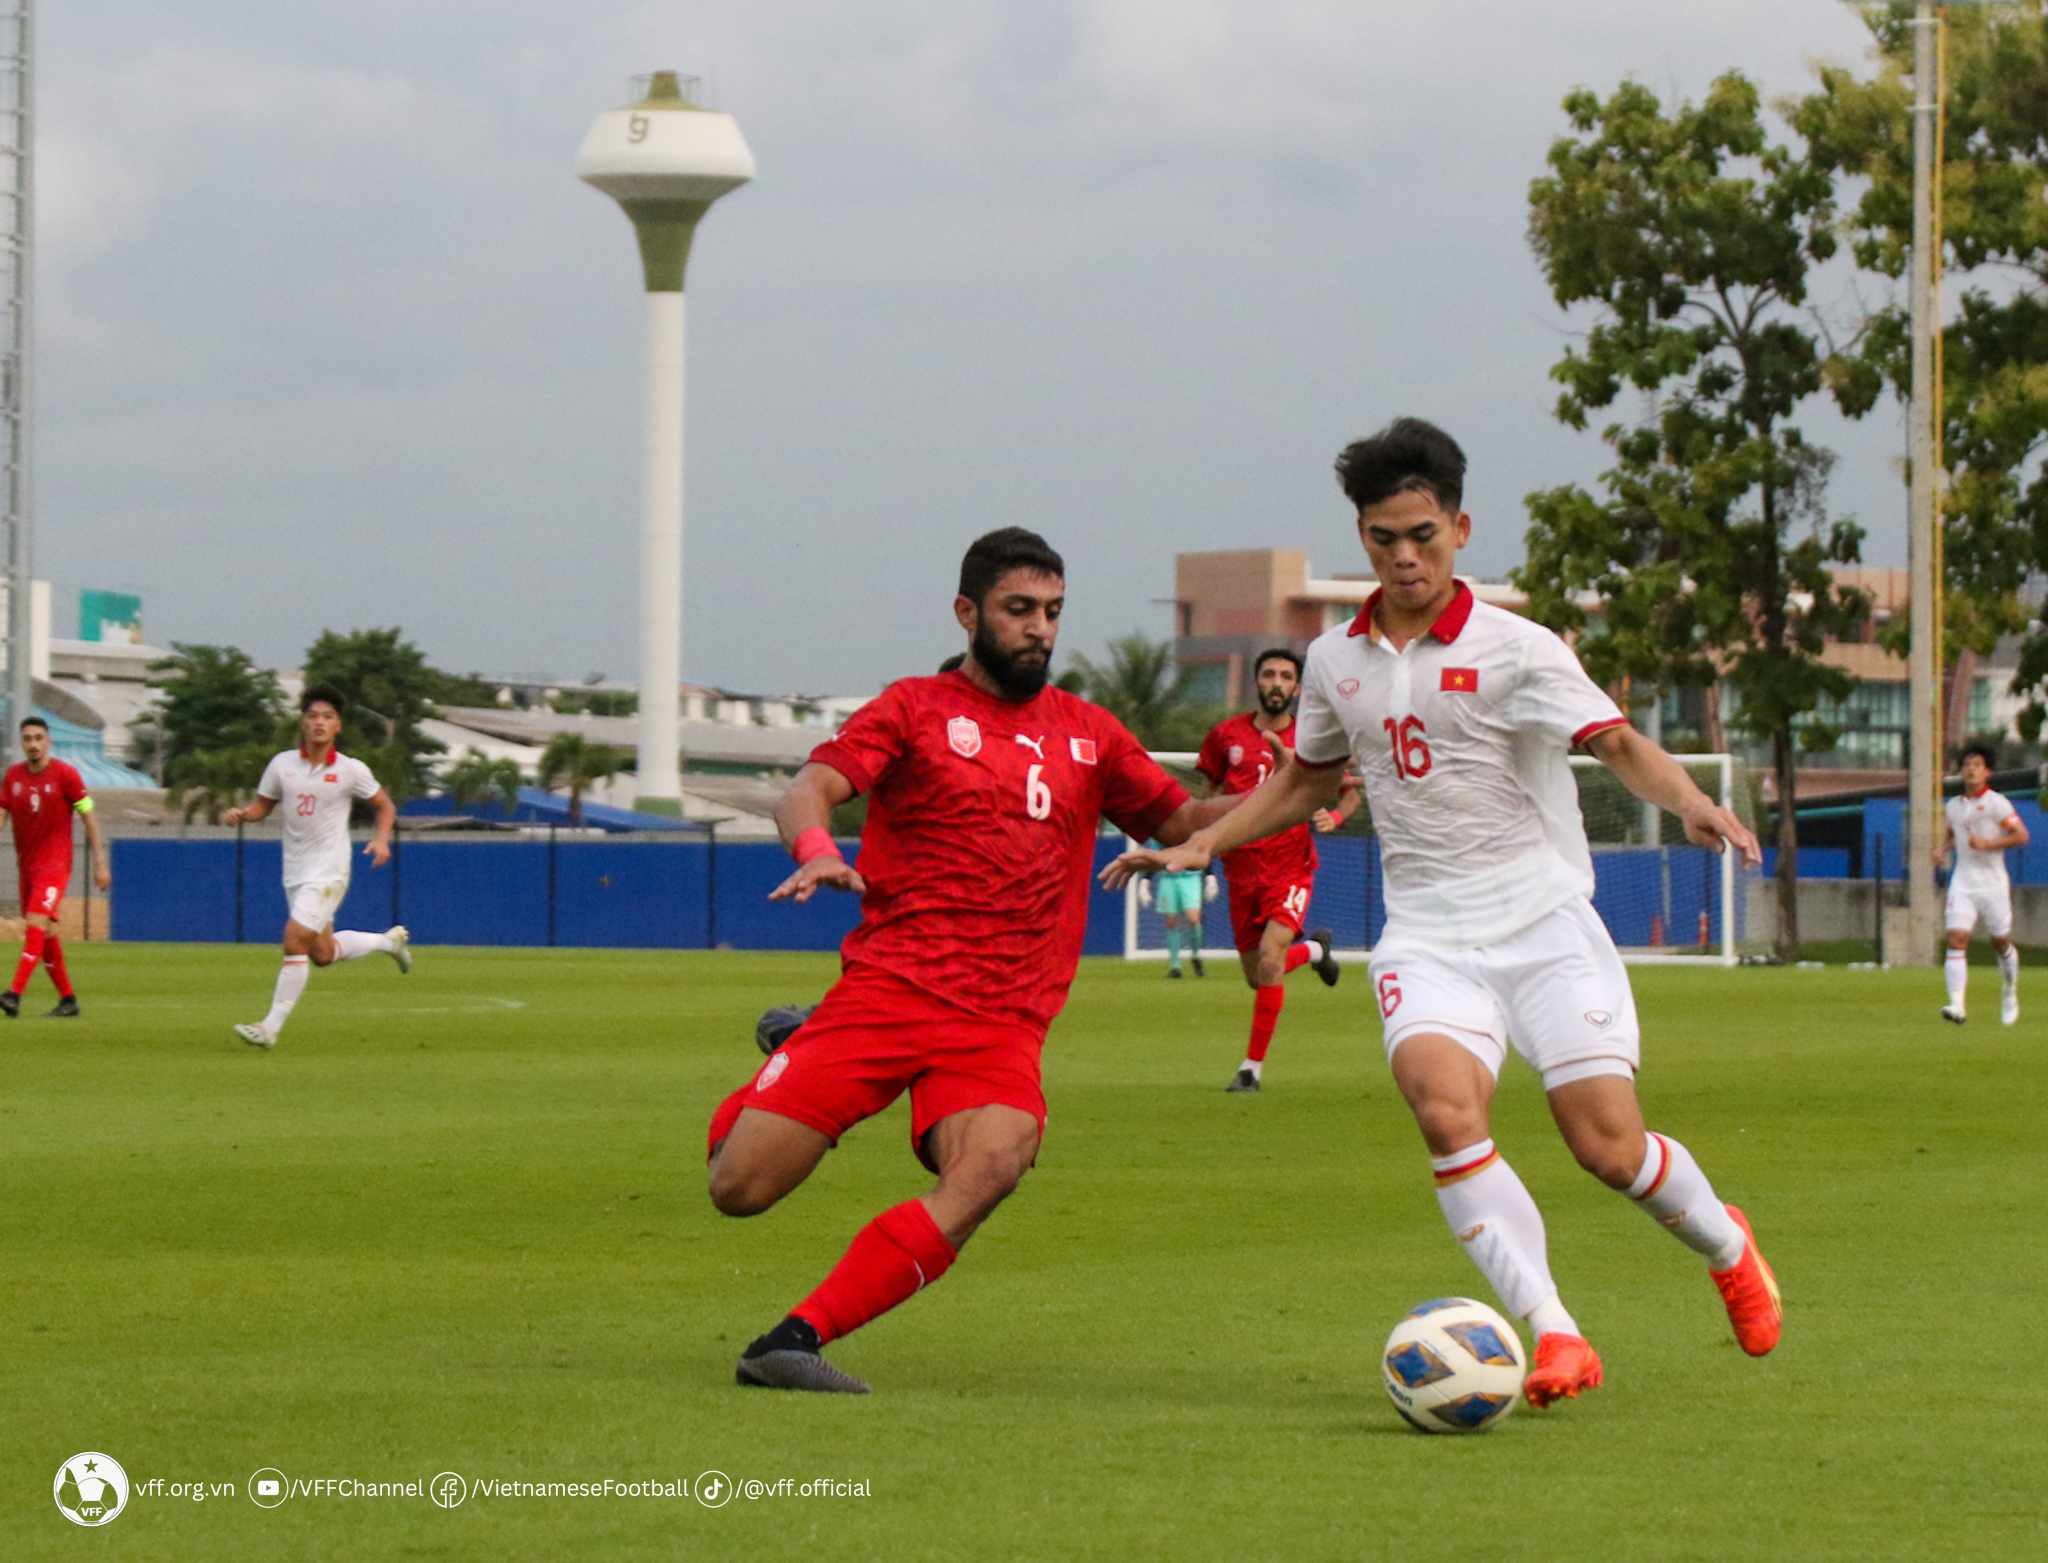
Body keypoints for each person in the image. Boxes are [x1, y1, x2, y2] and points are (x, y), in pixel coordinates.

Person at [1107, 417, 1782, 1408]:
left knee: (1603, 1146)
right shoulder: (1334, 661)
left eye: (1421, 533)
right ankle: (1555, 1334)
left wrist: (1690, 803)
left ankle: (1725, 1243)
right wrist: (1208, 840)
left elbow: (1616, 743)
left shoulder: (1520, 648)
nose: (1403, 555)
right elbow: (1307, 779)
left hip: (1544, 923)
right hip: (1426, 934)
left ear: (1459, 528)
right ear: (1362, 538)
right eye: (1382, 537)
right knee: (1442, 1109)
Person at [706, 526, 1249, 1393]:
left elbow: (1186, 823)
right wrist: (814, 845)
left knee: (995, 1161)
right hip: (891, 990)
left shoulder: (1091, 734)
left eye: (1053, 612)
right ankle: (792, 1059)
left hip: (1001, 1021)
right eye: (1020, 609)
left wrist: (1298, 791)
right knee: (737, 1185)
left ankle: (792, 1338)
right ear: (969, 612)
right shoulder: (915, 708)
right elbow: (809, 786)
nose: (1039, 628)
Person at [1193, 649, 1356, 1090]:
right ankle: (1317, 952)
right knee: (1258, 975)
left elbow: (1350, 792)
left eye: (1286, 676)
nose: (1277, 682)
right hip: (1241, 871)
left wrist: (1335, 817)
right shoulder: (1225, 736)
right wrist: (1199, 840)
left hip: (1290, 868)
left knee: (1270, 957)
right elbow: (1201, 799)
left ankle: (1251, 1069)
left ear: (1298, 688)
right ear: (1257, 682)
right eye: (1269, 674)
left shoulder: (1314, 737)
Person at [221, 686, 412, 1049]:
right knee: (321, 954)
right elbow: (264, 806)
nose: (319, 723)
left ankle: (269, 1028)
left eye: (327, 717)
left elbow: (384, 806)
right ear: (303, 723)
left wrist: (382, 838)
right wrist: (243, 814)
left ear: (338, 725)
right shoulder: (282, 765)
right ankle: (388, 942)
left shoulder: (350, 770)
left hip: (330, 871)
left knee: (294, 939)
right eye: (312, 716)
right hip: (294, 871)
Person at [0, 717, 112, 1018]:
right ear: (21, 743)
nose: (33, 744)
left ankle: (14, 993)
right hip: (27, 867)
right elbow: (2, 812)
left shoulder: (66, 775)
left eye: (38, 738)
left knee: (34, 924)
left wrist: (100, 862)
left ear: (48, 741)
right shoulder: (12, 777)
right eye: (27, 739)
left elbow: (89, 815)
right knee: (46, 933)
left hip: (55, 865)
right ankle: (68, 1000)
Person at [1934, 743, 2029, 1025]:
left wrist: (1988, 844)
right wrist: (1942, 849)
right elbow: (1954, 835)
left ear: (1987, 771)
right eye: (1967, 765)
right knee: (1956, 938)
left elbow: (2021, 835)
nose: (1971, 770)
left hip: (1993, 884)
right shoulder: (1953, 806)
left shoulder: (1998, 803)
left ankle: (2010, 991)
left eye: (1977, 765)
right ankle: (1957, 1005)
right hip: (1963, 882)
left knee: (2000, 942)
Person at [1137, 854, 1213, 977]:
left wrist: (1210, 876)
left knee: (1194, 919)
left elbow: (1202, 851)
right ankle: (1175, 966)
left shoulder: (1192, 834)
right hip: (1168, 878)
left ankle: (1196, 956)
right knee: (1171, 921)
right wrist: (1145, 880)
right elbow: (1157, 857)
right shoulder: (1161, 839)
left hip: (1191, 878)